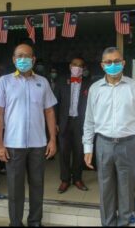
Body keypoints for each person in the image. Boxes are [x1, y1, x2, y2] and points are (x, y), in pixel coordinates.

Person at [82, 47, 135, 226]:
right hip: (103, 145)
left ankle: (123, 223)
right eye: (108, 62)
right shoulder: (95, 89)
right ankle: (108, 224)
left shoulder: (134, 87)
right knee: (105, 189)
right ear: (102, 65)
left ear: (123, 63)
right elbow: (89, 121)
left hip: (128, 145)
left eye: (116, 61)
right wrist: (88, 148)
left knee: (126, 190)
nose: (112, 65)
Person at [0, 43, 57, 227]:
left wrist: (52, 140)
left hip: (38, 144)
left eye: (27, 56)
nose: (23, 59)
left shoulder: (42, 82)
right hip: (13, 144)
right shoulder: (4, 82)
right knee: (15, 188)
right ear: (13, 59)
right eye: (19, 56)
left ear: (33, 59)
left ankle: (35, 221)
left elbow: (50, 112)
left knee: (37, 185)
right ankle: (15, 222)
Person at [54, 57, 92, 193]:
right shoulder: (61, 81)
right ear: (70, 66)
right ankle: (65, 180)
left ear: (84, 68)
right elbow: (55, 104)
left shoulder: (89, 84)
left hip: (80, 123)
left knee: (79, 152)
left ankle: (77, 178)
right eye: (75, 65)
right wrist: (55, 123)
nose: (78, 67)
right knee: (64, 152)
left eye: (81, 65)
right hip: (64, 121)